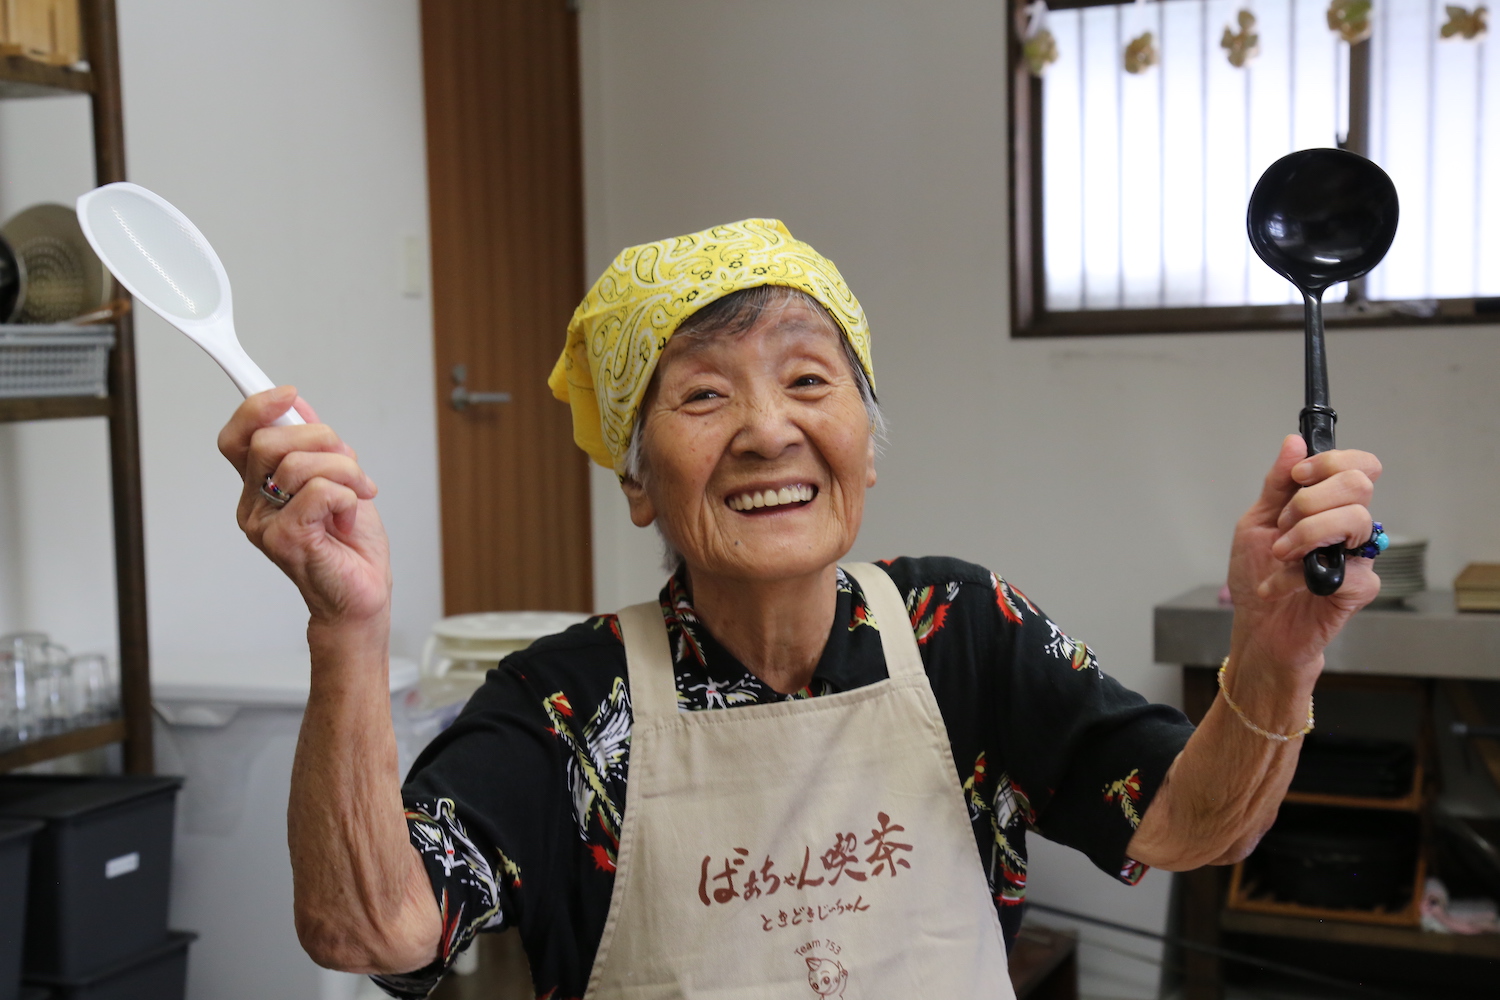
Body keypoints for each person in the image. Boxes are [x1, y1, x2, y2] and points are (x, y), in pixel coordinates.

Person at [218, 219, 1383, 999]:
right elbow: (370, 929)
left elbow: (1189, 825)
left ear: (866, 452)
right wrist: (347, 632)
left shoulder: (958, 627)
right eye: (705, 393)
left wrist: (1276, 656)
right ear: (636, 481)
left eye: (810, 379)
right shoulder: (570, 705)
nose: (769, 427)